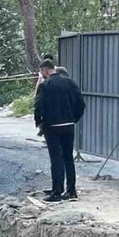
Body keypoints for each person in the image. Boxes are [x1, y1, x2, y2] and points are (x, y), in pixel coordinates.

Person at [33, 58, 86, 202]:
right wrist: (74, 118)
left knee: (56, 159)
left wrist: (39, 122)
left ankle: (57, 191)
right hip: (69, 126)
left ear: (45, 70)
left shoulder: (45, 85)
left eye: (42, 72)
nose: (42, 75)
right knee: (68, 158)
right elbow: (81, 104)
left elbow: (38, 106)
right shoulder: (70, 82)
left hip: (52, 127)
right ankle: (71, 190)